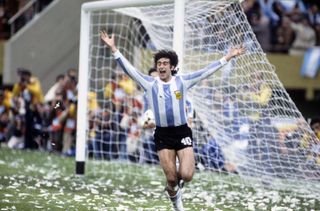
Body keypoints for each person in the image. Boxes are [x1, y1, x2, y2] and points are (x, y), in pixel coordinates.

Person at [100, 30, 245, 211]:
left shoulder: (182, 81)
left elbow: (206, 71)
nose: (161, 66)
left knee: (187, 174)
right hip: (163, 134)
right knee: (170, 178)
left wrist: (228, 57)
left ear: (172, 66)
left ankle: (176, 188)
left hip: (182, 131)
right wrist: (114, 49)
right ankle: (176, 202)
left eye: (165, 63)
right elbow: (129, 69)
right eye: (159, 63)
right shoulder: (149, 83)